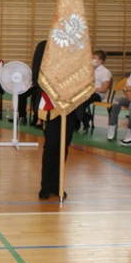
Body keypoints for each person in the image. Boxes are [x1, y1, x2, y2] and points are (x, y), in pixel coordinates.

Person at [34, 40, 78, 200]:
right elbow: (36, 75)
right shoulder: (44, 46)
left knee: (63, 146)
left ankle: (57, 185)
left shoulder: (76, 47)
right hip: (51, 104)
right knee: (51, 145)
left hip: (70, 104)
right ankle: (46, 185)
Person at [76, 49, 112, 132]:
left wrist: (92, 89)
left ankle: (79, 122)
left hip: (97, 93)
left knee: (81, 101)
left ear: (100, 61)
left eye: (94, 58)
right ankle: (85, 117)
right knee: (74, 100)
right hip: (88, 92)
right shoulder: (89, 70)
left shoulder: (105, 72)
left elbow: (104, 89)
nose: (92, 60)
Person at [107, 72, 131, 143]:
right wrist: (129, 92)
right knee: (117, 102)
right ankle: (112, 125)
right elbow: (127, 87)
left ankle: (130, 130)